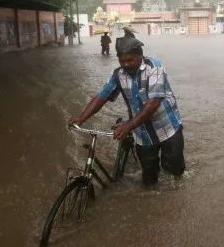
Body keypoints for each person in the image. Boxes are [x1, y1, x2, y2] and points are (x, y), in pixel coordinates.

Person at [68, 37, 185, 186]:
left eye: (130, 60)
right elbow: (101, 96)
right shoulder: (118, 74)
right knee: (149, 178)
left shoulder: (154, 67)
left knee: (175, 172)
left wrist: (128, 127)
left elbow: (153, 102)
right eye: (122, 61)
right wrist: (81, 119)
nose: (126, 64)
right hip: (142, 134)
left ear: (140, 56)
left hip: (167, 128)